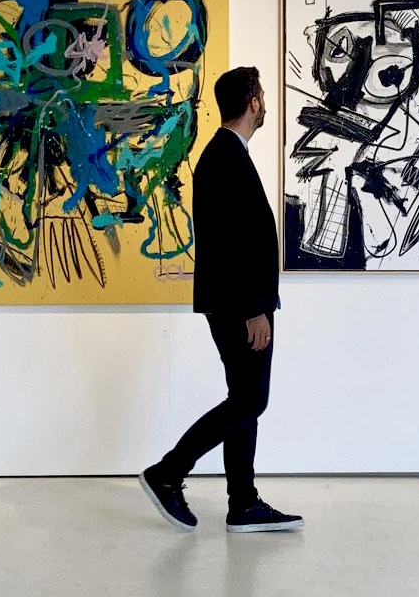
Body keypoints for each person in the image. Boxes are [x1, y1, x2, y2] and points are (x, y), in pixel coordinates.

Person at [140, 66, 303, 534]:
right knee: (250, 400)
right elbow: (230, 244)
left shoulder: (227, 153)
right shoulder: (225, 157)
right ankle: (168, 472)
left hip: (239, 301)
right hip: (240, 305)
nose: (264, 102)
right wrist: (254, 308)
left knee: (244, 400)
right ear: (253, 102)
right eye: (262, 94)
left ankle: (243, 503)